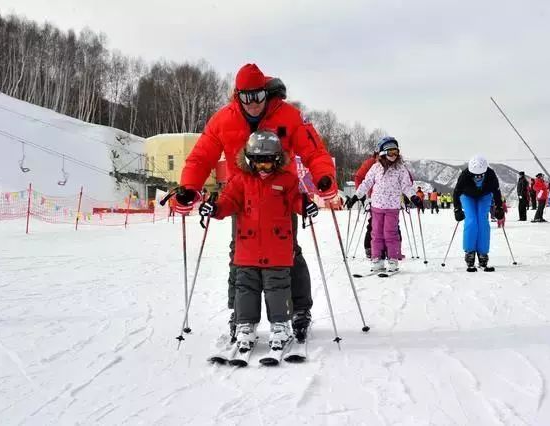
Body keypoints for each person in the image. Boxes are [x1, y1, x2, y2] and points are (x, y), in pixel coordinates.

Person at [174, 63, 337, 342]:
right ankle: (240, 314)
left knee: (289, 252)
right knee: (239, 255)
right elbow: (201, 157)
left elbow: (314, 150)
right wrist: (189, 187)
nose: (253, 104)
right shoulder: (222, 120)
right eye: (247, 98)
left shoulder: (288, 115)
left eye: (259, 96)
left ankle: (299, 309)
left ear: (266, 93)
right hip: (242, 196)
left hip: (280, 196)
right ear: (237, 96)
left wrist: (323, 177)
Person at [199, 131, 319, 350]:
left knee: (278, 288)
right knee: (245, 287)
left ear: (277, 160)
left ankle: (280, 325)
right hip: (247, 249)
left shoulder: (286, 180)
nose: (263, 169)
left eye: (268, 164)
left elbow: (296, 201)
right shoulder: (241, 181)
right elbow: (228, 201)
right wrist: (215, 208)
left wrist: (306, 206)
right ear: (249, 160)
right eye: (257, 163)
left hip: (277, 248)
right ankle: (245, 325)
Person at [347, 137, 421, 272]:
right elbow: (366, 183)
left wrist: (414, 197)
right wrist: (356, 197)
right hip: (376, 207)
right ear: (382, 153)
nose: (394, 155)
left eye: (396, 152)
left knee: (390, 233)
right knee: (376, 233)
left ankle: (392, 258)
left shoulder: (400, 169)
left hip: (392, 207)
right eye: (390, 152)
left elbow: (406, 186)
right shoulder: (375, 167)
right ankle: (377, 259)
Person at [452, 154, 503, 271]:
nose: (478, 177)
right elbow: (457, 192)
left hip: (484, 196)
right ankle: (470, 252)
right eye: (475, 175)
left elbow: (496, 191)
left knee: (482, 221)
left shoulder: (490, 174)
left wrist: (499, 207)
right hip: (467, 196)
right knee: (471, 220)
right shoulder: (465, 175)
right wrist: (457, 209)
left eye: (481, 175)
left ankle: (482, 253)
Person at [354, 151, 379, 258]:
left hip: (390, 200)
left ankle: (392, 250)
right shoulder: (370, 163)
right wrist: (361, 194)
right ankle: (369, 248)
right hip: (373, 198)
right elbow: (359, 177)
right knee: (374, 223)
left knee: (392, 226)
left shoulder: (394, 163)